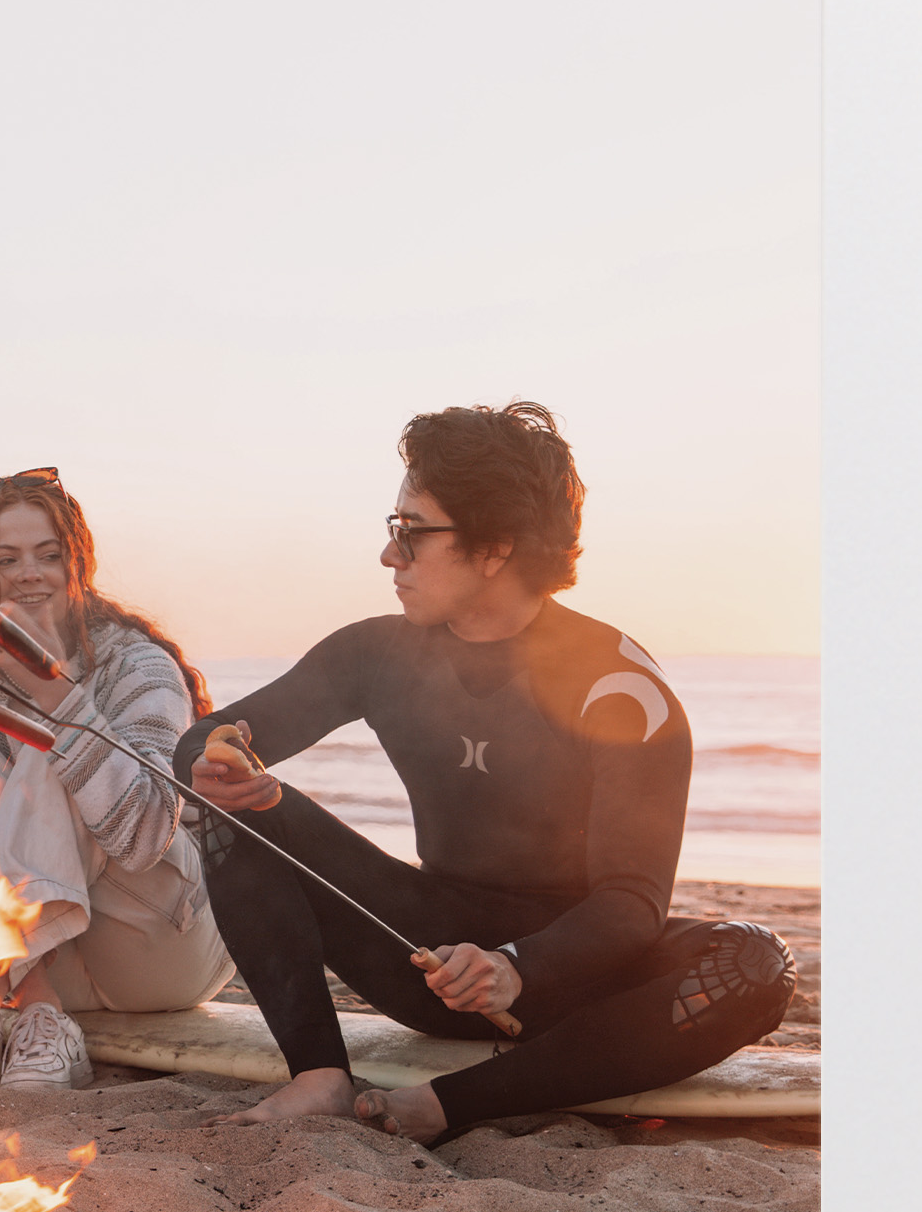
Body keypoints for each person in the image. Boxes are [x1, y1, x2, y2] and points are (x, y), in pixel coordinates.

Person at [182, 398, 794, 1143]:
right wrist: (224, 765)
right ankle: (319, 1077)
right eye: (392, 529)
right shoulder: (375, 654)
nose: (389, 555)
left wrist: (516, 966)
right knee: (235, 811)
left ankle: (449, 1105)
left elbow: (633, 903)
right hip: (421, 954)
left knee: (756, 962)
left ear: (495, 547)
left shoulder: (620, 689)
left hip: (572, 975)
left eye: (412, 532)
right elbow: (208, 737)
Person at [0, 469, 219, 1090]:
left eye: (48, 554)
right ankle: (39, 1013)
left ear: (77, 563)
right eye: (5, 559)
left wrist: (56, 696)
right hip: (40, 959)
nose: (29, 573)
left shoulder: (138, 665)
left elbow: (147, 834)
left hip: (157, 944)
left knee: (47, 746)